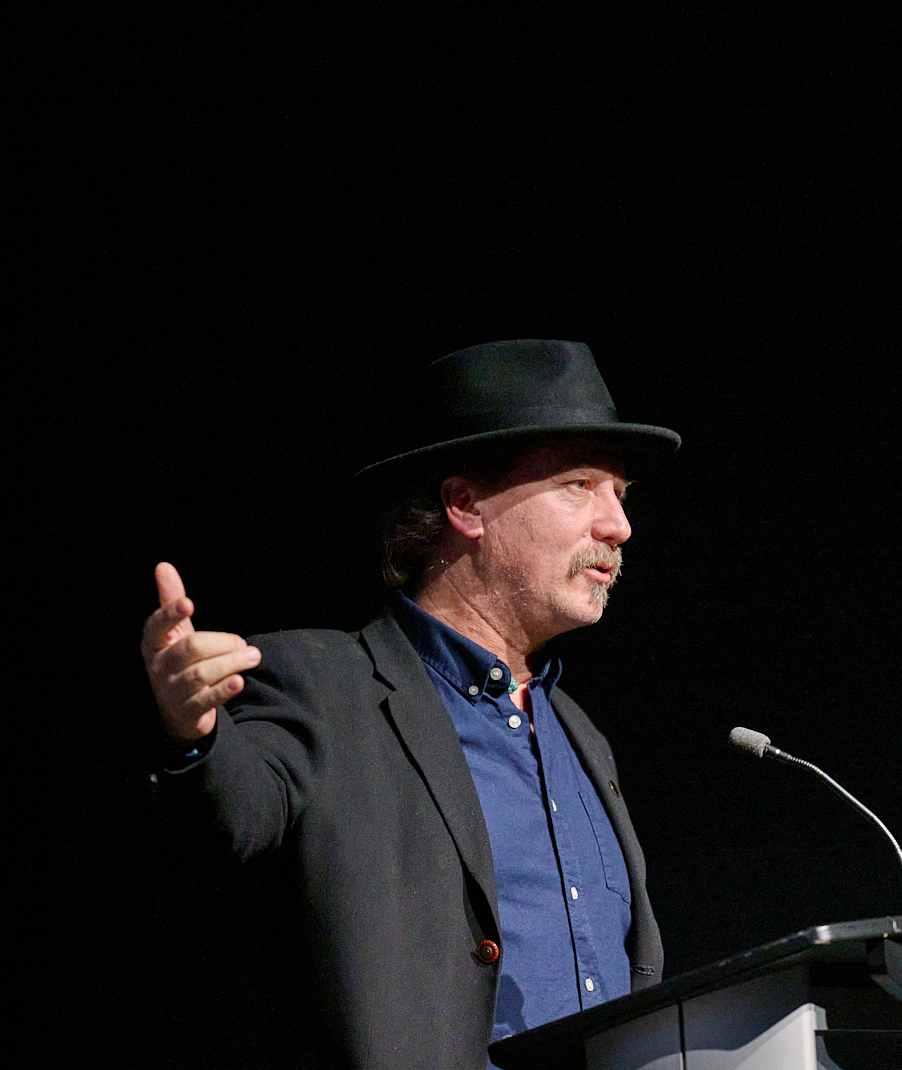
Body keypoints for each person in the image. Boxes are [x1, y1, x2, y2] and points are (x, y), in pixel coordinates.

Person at [141, 340, 677, 1069]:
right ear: (465, 505)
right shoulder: (323, 686)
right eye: (579, 485)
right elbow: (233, 818)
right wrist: (192, 733)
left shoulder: (581, 736)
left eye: (621, 493)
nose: (618, 525)